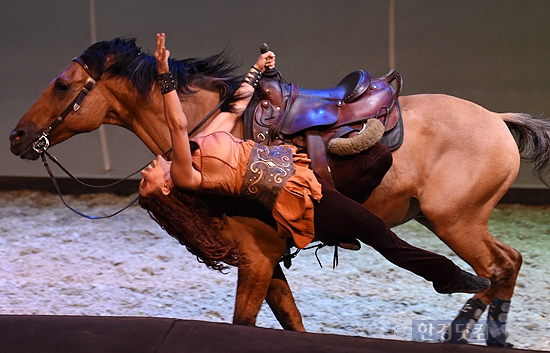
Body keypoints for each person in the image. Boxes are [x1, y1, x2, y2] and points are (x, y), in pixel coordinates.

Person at [139, 33, 490, 294]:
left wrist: (256, 71)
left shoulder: (200, 146)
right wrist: (163, 73)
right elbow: (178, 125)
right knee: (380, 236)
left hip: (304, 176)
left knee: (378, 167)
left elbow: (233, 107)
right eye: (146, 181)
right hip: (298, 200)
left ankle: (432, 269)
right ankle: (446, 277)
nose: (145, 171)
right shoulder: (185, 175)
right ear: (165, 188)